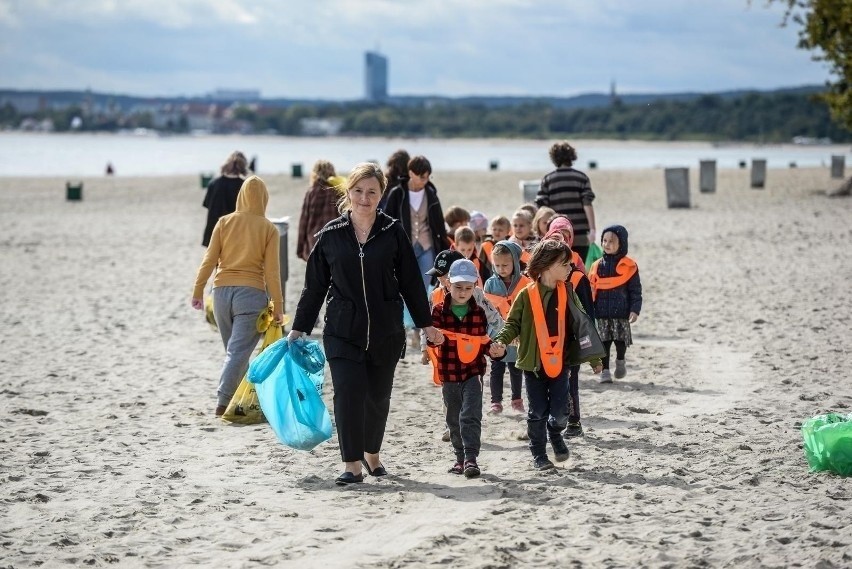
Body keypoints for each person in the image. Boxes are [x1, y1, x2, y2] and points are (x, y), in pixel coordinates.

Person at [287, 162, 443, 486]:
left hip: (386, 330)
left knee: (377, 397)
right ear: (348, 193)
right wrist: (299, 328)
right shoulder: (330, 236)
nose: (364, 198)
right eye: (358, 191)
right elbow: (314, 286)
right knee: (347, 393)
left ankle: (372, 453)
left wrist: (425, 325)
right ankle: (352, 464)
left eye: (372, 192)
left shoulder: (393, 232)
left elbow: (412, 283)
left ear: (381, 194)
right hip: (343, 331)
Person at [491, 240, 603, 470]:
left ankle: (555, 434)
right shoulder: (525, 295)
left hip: (562, 363)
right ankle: (539, 455)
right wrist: (501, 341)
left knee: (561, 413)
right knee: (537, 411)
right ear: (549, 265)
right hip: (533, 364)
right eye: (566, 264)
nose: (570, 268)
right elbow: (512, 324)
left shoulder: (569, 293)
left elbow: (582, 326)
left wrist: (594, 358)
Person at [191, 176, 285, 416]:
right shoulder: (268, 229)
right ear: (264, 199)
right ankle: (223, 403)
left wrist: (198, 290)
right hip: (251, 295)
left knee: (234, 352)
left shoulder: (224, 222)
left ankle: (237, 400)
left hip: (221, 294)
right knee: (237, 352)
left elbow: (209, 260)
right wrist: (278, 307)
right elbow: (273, 273)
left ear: (240, 196)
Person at [428, 259, 502, 479]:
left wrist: (496, 351)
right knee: (453, 417)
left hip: (473, 372)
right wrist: (434, 339)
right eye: (458, 287)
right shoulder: (439, 311)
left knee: (470, 415)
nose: (462, 292)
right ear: (448, 284)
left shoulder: (479, 312)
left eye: (468, 288)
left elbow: (483, 340)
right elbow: (431, 339)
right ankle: (459, 458)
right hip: (449, 373)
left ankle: (471, 458)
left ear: (474, 287)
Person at [542, 221, 595, 438]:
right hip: (545, 338)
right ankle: (548, 420)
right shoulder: (537, 278)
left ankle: (573, 421)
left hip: (570, 339)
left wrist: (589, 343)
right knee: (544, 381)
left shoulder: (577, 277)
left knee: (570, 380)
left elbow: (587, 314)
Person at [383, 155, 449, 291]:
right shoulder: (397, 194)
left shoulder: (431, 194)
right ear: (411, 173)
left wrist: (444, 247)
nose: (425, 181)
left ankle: (420, 312)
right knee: (404, 288)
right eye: (422, 177)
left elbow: (440, 225)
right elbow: (386, 221)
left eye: (427, 177)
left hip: (427, 248)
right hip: (404, 248)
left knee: (423, 289)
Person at [588, 225, 642, 384]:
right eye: (604, 240)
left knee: (620, 341)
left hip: (621, 312)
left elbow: (635, 290)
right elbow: (592, 289)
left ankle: (620, 360)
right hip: (602, 312)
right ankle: (605, 371)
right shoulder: (597, 265)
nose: (607, 244)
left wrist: (635, 309)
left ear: (622, 244)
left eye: (611, 241)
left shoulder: (629, 266)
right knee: (603, 343)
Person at [483, 241, 531, 414]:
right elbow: (486, 310)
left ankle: (517, 400)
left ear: (515, 263)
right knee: (496, 368)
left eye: (505, 265)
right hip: (496, 333)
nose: (501, 268)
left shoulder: (525, 282)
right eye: (497, 265)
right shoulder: (489, 284)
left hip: (518, 333)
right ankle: (496, 402)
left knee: (516, 368)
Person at [534, 141, 597, 261]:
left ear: (553, 158)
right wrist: (593, 229)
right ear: (572, 156)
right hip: (580, 234)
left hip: (557, 235)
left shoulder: (548, 180)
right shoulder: (582, 178)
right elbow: (587, 204)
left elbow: (542, 209)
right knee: (579, 270)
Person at [202, 151, 249, 247]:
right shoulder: (245, 185)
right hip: (235, 232)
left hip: (214, 230)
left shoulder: (214, 183)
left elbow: (207, 204)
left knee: (215, 261)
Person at [296, 159, 340, 262]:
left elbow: (303, 221)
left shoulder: (311, 192)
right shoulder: (337, 192)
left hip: (313, 243)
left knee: (316, 276)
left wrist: (300, 248)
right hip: (334, 243)